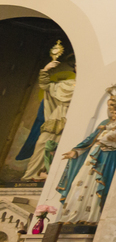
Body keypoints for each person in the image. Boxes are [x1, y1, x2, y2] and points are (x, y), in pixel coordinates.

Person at [55, 88, 116, 226]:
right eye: (109, 108)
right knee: (80, 182)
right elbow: (90, 139)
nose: (111, 111)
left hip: (109, 158)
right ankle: (75, 214)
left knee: (99, 184)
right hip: (93, 156)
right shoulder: (104, 123)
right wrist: (76, 151)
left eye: (114, 108)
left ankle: (93, 216)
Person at [18, 47, 76, 182]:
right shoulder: (66, 84)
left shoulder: (86, 86)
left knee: (60, 148)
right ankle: (31, 174)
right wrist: (46, 70)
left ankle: (49, 175)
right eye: (76, 65)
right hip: (57, 116)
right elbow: (45, 86)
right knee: (42, 143)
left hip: (72, 118)